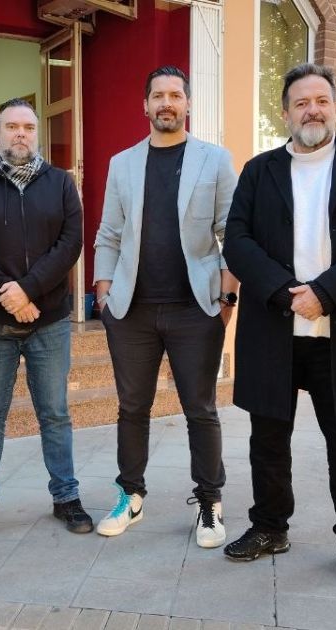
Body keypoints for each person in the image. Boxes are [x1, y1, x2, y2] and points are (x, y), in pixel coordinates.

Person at [221, 63, 336, 586]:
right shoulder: (259, 171)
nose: (312, 110)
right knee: (267, 438)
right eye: (301, 102)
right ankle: (269, 526)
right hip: (274, 328)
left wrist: (325, 293)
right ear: (285, 112)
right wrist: (286, 293)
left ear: (335, 107)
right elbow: (237, 240)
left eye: (321, 100)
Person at [92, 66, 238, 547]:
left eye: (175, 95)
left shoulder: (215, 160)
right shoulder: (122, 163)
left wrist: (227, 296)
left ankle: (210, 503)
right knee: (133, 407)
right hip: (131, 310)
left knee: (200, 408)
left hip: (196, 308)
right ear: (146, 105)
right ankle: (130, 495)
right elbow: (109, 232)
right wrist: (104, 292)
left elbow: (231, 232)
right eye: (158, 95)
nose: (167, 103)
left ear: (188, 104)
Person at [0, 97, 90, 536]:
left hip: (49, 321)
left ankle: (66, 496)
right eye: (12, 126)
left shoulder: (61, 184)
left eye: (28, 127)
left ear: (37, 135)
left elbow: (70, 243)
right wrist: (8, 295)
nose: (20, 134)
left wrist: (28, 289)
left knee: (55, 413)